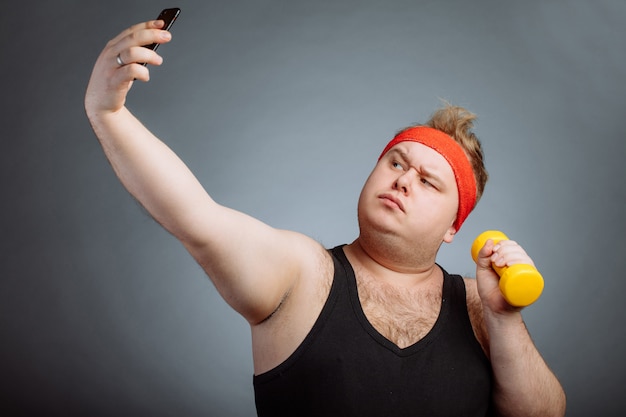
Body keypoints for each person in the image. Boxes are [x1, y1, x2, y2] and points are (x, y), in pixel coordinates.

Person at [85, 18, 566, 417]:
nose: (403, 179)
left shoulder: (481, 310)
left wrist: (504, 321)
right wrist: (109, 114)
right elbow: (195, 217)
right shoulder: (301, 275)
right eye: (396, 162)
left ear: (452, 228)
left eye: (428, 181)